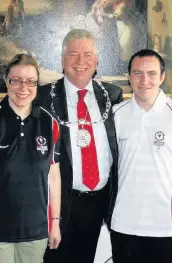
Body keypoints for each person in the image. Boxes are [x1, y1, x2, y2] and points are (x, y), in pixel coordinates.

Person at [37, 28, 123, 263]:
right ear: (62, 61)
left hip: (99, 202)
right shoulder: (43, 98)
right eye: (73, 54)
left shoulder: (112, 95)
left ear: (96, 61)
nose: (81, 61)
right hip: (59, 203)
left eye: (87, 55)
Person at [111, 49, 172, 263]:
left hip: (166, 227)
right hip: (123, 224)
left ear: (162, 77)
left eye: (151, 73)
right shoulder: (115, 115)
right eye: (137, 73)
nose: (144, 80)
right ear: (129, 77)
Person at [0, 54, 61, 263]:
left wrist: (55, 223)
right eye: (16, 80)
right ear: (6, 81)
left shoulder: (48, 122)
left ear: (37, 84)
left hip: (36, 231)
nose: (23, 87)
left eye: (30, 81)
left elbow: (53, 176)